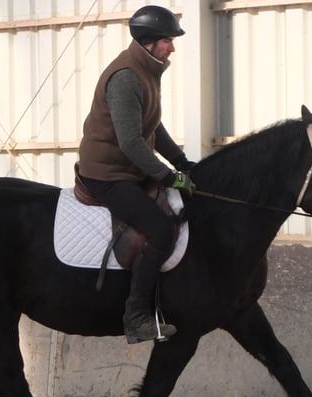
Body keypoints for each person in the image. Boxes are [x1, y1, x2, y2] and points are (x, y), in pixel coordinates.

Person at [77, 5, 197, 344]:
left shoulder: (147, 70)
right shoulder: (126, 76)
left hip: (127, 168)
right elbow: (131, 142)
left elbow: (153, 126)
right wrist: (168, 176)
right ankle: (137, 317)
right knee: (160, 229)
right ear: (148, 43)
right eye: (168, 41)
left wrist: (182, 162)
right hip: (107, 173)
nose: (172, 47)